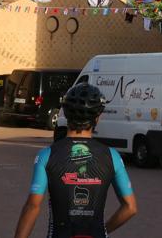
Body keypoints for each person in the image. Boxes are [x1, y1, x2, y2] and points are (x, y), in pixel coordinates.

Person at [14, 83, 137, 238]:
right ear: (97, 117)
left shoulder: (47, 155)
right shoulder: (112, 156)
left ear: (65, 113)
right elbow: (130, 207)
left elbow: (33, 206)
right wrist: (104, 230)